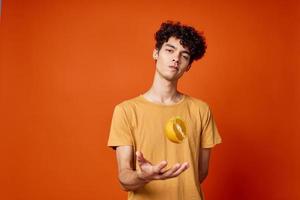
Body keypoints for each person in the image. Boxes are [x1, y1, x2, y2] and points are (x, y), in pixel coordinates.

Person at [107, 21, 222, 200]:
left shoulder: (201, 110)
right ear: (156, 53)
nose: (176, 58)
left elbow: (201, 171)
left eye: (184, 55)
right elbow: (124, 177)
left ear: (189, 65)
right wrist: (142, 176)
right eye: (170, 50)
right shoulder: (126, 110)